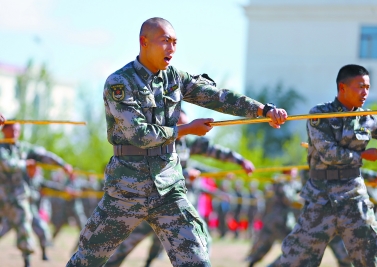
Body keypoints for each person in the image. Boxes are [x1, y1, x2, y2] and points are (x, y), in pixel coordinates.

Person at [66, 17, 287, 267]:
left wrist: (262, 110)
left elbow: (218, 97)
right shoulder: (120, 83)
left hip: (168, 189)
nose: (171, 48)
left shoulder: (174, 78)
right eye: (165, 41)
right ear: (144, 42)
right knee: (87, 261)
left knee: (197, 260)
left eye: (174, 42)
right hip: (127, 189)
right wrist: (186, 129)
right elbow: (138, 134)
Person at [277, 64, 377, 267]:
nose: (365, 92)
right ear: (342, 87)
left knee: (372, 251)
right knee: (296, 259)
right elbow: (328, 154)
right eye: (360, 86)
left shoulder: (368, 119)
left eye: (368, 87)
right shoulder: (319, 115)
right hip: (320, 198)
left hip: (353, 197)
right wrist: (362, 155)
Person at [104, 109, 255, 267]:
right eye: (181, 125)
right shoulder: (157, 141)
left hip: (171, 205)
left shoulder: (186, 143)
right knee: (126, 244)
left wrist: (240, 161)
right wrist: (184, 173)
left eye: (187, 124)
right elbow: (152, 171)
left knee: (198, 238)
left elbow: (213, 150)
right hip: (149, 201)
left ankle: (150, 263)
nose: (186, 128)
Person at [0, 122, 73, 267]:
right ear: (4, 130)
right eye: (12, 129)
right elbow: (7, 164)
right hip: (2, 197)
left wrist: (62, 164)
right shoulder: (1, 148)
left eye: (17, 130)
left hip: (18, 198)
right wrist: (25, 164)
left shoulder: (24, 148)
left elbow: (43, 155)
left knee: (25, 225)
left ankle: (27, 261)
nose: (15, 133)